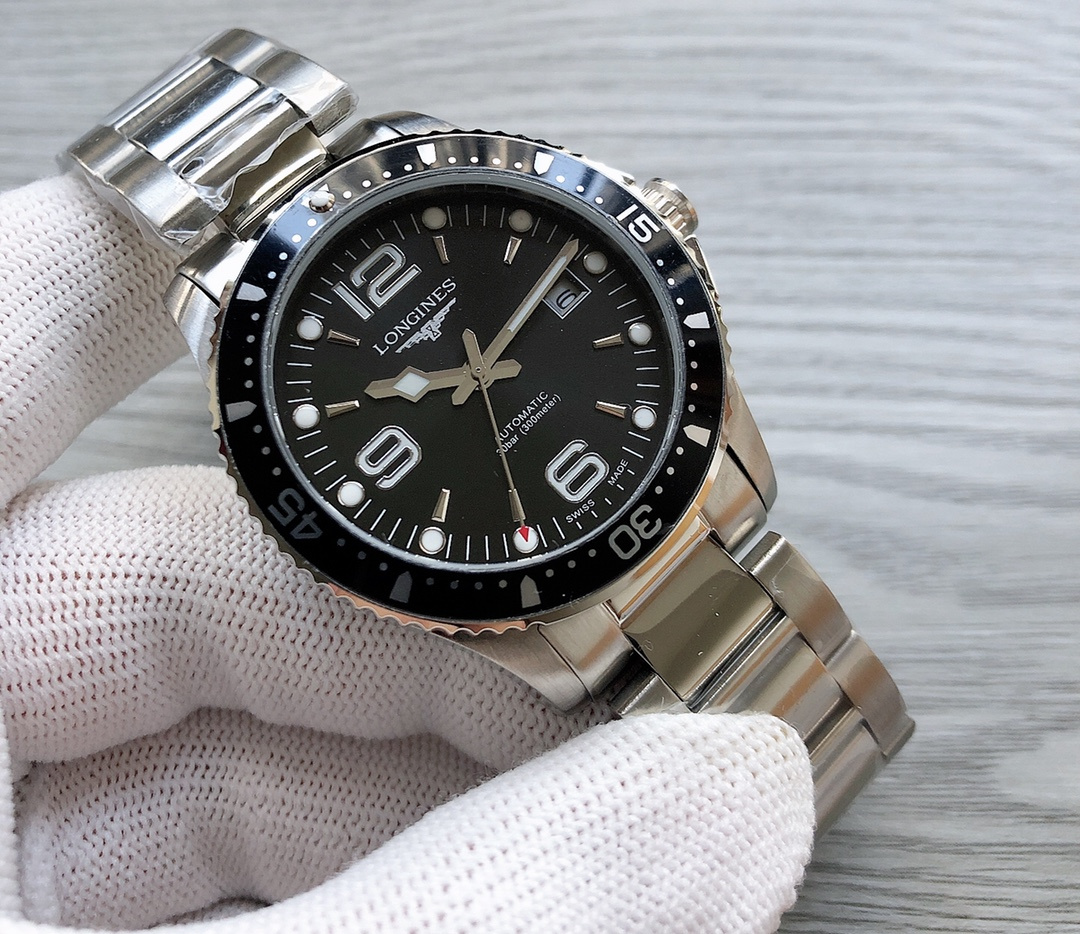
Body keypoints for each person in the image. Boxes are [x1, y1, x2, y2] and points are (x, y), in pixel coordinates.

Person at [0, 173, 815, 933]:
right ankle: (814, 733)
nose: (479, 381)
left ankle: (810, 719)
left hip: (683, 494)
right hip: (560, 604)